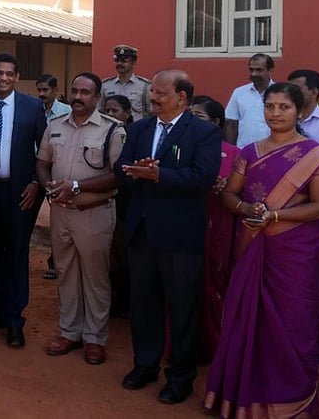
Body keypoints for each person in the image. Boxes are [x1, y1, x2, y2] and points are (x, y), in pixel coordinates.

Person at [205, 82, 319, 418]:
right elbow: (229, 194)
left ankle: (291, 399)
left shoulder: (316, 156)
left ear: (299, 111)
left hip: (296, 254)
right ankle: (243, 397)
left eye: (284, 107)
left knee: (292, 324)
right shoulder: (250, 152)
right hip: (254, 244)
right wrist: (246, 210)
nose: (275, 113)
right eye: (270, 106)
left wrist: (274, 215)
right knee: (247, 318)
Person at [115, 70, 221, 405]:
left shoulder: (204, 132)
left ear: (182, 97)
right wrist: (134, 172)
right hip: (141, 232)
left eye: (161, 93)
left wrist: (160, 175)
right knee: (143, 304)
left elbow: (203, 178)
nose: (153, 98)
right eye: (152, 93)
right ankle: (144, 365)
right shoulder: (139, 128)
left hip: (179, 236)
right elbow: (120, 168)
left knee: (182, 308)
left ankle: (181, 377)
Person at [37, 73, 125, 365]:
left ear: (97, 97)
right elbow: (42, 162)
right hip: (62, 213)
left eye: (85, 92)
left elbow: (118, 175)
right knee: (66, 273)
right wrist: (48, 185)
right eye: (74, 90)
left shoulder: (112, 130)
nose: (78, 96)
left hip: (95, 213)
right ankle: (69, 332)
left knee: (95, 277)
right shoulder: (55, 126)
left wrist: (77, 187)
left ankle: (95, 338)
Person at [0, 54, 46, 348]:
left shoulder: (32, 107)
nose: (4, 78)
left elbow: (45, 151)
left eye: (9, 73)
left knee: (17, 254)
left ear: (17, 77)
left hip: (20, 193)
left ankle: (14, 320)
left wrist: (35, 182)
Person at [188, 95, 241, 362]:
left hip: (220, 223)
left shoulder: (235, 154)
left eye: (198, 116)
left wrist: (229, 186)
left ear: (216, 122)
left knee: (216, 283)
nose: (191, 121)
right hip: (188, 220)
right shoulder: (184, 146)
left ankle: (216, 344)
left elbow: (245, 189)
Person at [101, 95, 133, 318]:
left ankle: (125, 301)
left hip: (126, 206)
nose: (110, 115)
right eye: (107, 110)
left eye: (115, 111)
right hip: (103, 203)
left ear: (127, 113)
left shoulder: (133, 137)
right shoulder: (99, 134)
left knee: (124, 257)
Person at [37, 74, 70, 280]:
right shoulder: (33, 110)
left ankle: (55, 261)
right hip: (37, 168)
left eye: (45, 90)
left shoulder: (66, 112)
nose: (41, 94)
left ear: (55, 90)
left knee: (58, 220)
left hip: (58, 170)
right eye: (39, 90)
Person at [224, 53, 274, 148]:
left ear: (270, 70)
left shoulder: (279, 93)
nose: (254, 74)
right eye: (251, 70)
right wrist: (232, 150)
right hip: (244, 149)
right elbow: (232, 124)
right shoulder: (239, 93)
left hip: (273, 150)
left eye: (259, 70)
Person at [99, 45, 151, 122]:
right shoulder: (106, 85)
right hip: (111, 130)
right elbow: (100, 110)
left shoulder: (144, 85)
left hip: (135, 130)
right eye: (117, 60)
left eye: (124, 61)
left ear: (134, 62)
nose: (120, 63)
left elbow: (151, 111)